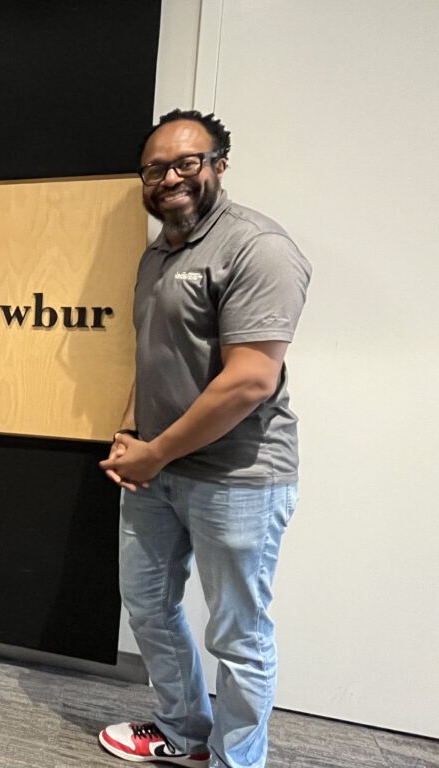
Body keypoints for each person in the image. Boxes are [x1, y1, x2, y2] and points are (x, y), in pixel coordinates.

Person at [98, 110, 312, 768]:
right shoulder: (157, 253)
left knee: (239, 636)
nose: (171, 178)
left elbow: (248, 381)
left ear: (219, 164)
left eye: (187, 162)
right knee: (149, 608)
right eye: (156, 168)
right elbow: (153, 355)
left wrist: (157, 450)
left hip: (239, 479)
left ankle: (234, 759)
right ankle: (184, 732)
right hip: (157, 475)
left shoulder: (259, 248)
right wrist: (134, 430)